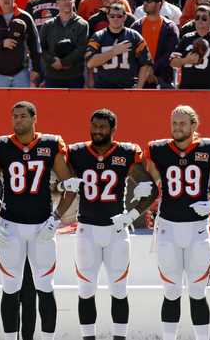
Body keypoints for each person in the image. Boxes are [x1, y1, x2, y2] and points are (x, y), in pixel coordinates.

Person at [0, 101, 80, 340]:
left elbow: (71, 186)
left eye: (22, 116)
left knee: (45, 287)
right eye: (14, 116)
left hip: (42, 224)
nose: (17, 121)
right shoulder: (0, 145)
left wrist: (56, 218)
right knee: (10, 289)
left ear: (35, 119)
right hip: (10, 225)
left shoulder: (51, 144)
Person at [144, 105, 210, 340]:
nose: (177, 127)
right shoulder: (159, 149)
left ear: (194, 125)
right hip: (168, 228)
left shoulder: (208, 149)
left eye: (182, 123)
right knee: (170, 291)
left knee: (198, 292)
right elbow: (148, 183)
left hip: (197, 230)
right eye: (174, 123)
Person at [67, 109, 156, 340]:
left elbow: (151, 190)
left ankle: (120, 337)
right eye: (94, 126)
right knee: (86, 290)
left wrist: (132, 214)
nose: (97, 131)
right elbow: (60, 181)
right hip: (86, 229)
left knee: (119, 289)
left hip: (117, 230)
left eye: (102, 127)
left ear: (113, 130)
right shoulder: (76, 152)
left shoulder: (126, 152)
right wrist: (62, 185)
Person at [85, 2, 152, 89]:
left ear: (125, 17)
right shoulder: (98, 36)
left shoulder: (134, 36)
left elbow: (146, 63)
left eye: (119, 16)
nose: (115, 19)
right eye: (112, 16)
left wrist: (138, 88)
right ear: (107, 17)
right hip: (102, 89)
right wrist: (114, 51)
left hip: (127, 88)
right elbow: (90, 63)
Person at [170, 5, 210, 90]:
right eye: (197, 17)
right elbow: (172, 62)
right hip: (185, 89)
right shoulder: (186, 38)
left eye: (204, 18)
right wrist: (186, 60)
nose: (200, 20)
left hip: (208, 90)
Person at [39, 0, 88, 88]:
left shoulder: (82, 25)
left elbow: (81, 49)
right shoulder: (48, 25)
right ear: (57, 3)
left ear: (74, 2)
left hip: (75, 76)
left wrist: (62, 63)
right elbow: (41, 48)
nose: (66, 2)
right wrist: (52, 61)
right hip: (52, 76)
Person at [130, 0, 179, 89]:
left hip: (162, 78)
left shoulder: (170, 27)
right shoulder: (136, 26)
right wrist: (145, 71)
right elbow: (132, 53)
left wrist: (152, 69)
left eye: (149, 1)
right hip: (139, 78)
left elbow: (169, 53)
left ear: (159, 4)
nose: (145, 3)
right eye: (144, 0)